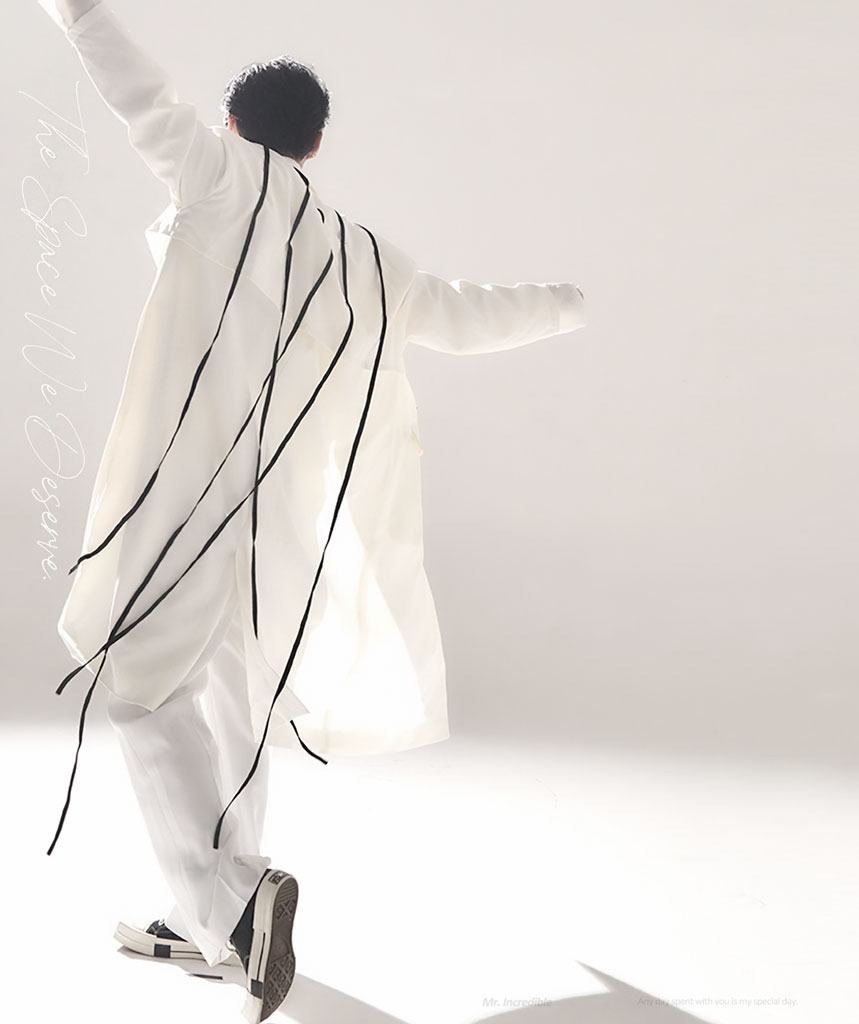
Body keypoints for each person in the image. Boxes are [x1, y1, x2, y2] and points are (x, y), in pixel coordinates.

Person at [37, 1, 588, 1021]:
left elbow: (135, 91)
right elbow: (470, 316)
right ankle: (212, 919)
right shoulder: (365, 255)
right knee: (236, 715)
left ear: (233, 126)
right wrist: (571, 301)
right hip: (282, 536)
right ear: (317, 144)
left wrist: (73, 7)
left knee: (146, 693)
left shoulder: (216, 177)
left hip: (185, 509)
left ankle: (231, 904)